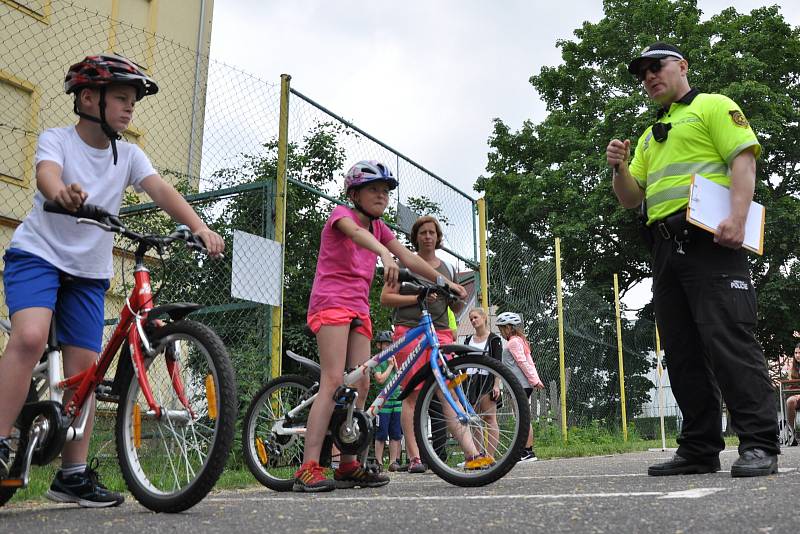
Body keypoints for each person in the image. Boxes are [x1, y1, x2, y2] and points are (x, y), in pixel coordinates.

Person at [0, 54, 225, 507]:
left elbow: (161, 190)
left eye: (132, 102)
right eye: (121, 98)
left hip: (87, 274)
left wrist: (199, 226)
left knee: (85, 370)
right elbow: (47, 174)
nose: (129, 109)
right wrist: (60, 193)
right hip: (38, 256)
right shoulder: (58, 140)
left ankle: (73, 475)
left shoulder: (129, 155)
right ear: (88, 98)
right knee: (28, 338)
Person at [607, 42, 779, 476]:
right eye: (641, 72)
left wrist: (738, 219)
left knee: (729, 341)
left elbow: (742, 159)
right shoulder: (648, 135)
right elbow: (631, 199)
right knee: (681, 352)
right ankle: (700, 448)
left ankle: (759, 443)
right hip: (665, 250)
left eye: (655, 67)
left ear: (682, 66)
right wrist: (620, 168)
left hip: (711, 241)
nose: (648, 76)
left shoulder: (713, 107)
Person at [293, 161, 467, 492]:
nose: (382, 196)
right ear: (354, 193)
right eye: (374, 190)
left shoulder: (380, 228)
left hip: (358, 306)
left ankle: (348, 464)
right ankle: (309, 466)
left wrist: (445, 282)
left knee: (360, 382)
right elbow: (358, 235)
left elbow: (410, 258)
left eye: (386, 192)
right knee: (332, 381)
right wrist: (385, 256)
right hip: (331, 301)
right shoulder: (340, 214)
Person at [381, 215, 488, 474]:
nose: (428, 236)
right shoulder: (401, 263)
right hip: (410, 331)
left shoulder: (448, 270)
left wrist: (459, 297)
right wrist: (418, 297)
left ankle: (472, 453)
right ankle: (416, 457)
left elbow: (454, 306)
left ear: (438, 237)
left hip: (439, 333)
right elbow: (386, 298)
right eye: (423, 232)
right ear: (415, 237)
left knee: (448, 391)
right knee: (412, 396)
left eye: (432, 232)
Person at [495, 312, 544, 462]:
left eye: (502, 329)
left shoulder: (513, 342)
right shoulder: (519, 340)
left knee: (522, 418)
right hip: (522, 384)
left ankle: (527, 452)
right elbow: (529, 361)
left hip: (519, 385)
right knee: (522, 417)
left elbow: (523, 362)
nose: (501, 333)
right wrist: (535, 379)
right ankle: (526, 451)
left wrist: (534, 380)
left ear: (508, 327)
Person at [463, 308, 503, 457]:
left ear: (484, 317)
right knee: (473, 420)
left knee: (490, 418)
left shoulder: (493, 339)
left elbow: (498, 363)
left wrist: (496, 384)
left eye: (475, 317)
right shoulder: (468, 340)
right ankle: (476, 454)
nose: (473, 321)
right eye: (471, 319)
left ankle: (490, 456)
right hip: (470, 381)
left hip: (486, 380)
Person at [372, 330, 403, 471]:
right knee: (381, 432)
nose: (388, 347)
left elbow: (401, 378)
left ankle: (393, 461)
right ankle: (378, 461)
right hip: (383, 400)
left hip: (397, 398)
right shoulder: (377, 360)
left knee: (396, 432)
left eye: (390, 344)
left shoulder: (396, 358)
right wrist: (390, 366)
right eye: (385, 344)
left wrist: (395, 365)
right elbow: (380, 380)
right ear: (379, 345)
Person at [783, 343, 800, 446]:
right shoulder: (792, 367)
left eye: (799, 353)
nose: (797, 355)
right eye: (796, 353)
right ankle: (791, 433)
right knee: (790, 401)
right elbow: (791, 385)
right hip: (796, 395)